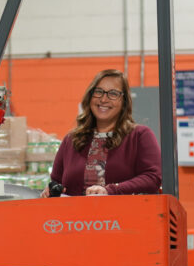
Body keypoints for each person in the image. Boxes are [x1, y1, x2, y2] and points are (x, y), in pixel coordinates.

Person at [40, 69, 161, 197]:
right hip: (75, 211)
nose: (103, 99)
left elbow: (153, 177)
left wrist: (111, 190)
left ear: (124, 101)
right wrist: (51, 190)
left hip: (124, 210)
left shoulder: (139, 136)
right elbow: (56, 182)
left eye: (113, 94)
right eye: (98, 92)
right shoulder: (71, 140)